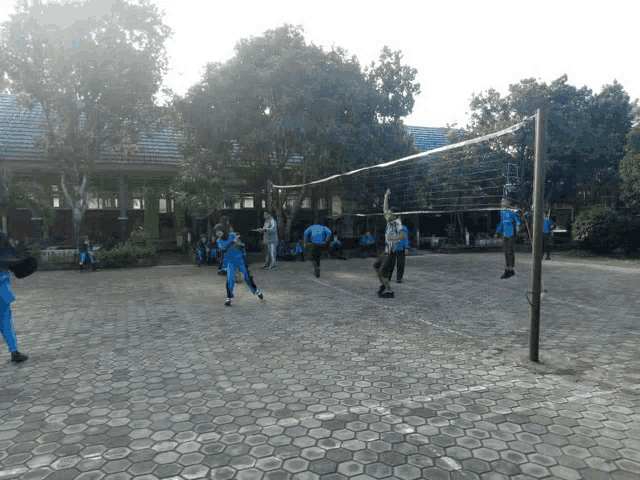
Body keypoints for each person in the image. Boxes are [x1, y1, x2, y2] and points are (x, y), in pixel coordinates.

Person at [215, 218, 263, 307]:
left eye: (218, 231)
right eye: (216, 232)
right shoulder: (219, 240)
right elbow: (223, 248)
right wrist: (232, 241)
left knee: (246, 276)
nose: (217, 233)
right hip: (229, 261)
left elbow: (243, 245)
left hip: (239, 258)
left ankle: (256, 291)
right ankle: (229, 297)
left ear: (223, 230)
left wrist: (238, 243)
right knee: (230, 279)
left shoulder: (233, 235)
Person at [0, 231, 28, 363]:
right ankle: (14, 351)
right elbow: (13, 254)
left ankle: (14, 351)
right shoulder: (2, 236)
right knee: (5, 318)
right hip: (2, 280)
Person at [374, 188, 406, 298]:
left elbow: (403, 236)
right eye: (388, 214)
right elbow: (385, 208)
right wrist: (386, 196)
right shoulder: (389, 220)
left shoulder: (397, 223)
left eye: (390, 214)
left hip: (392, 252)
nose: (387, 215)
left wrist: (392, 238)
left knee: (384, 273)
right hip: (386, 251)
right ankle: (383, 285)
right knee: (376, 266)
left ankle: (389, 291)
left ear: (395, 216)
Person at [495, 197, 521, 279]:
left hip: (511, 233)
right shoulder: (502, 212)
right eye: (501, 201)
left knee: (510, 251)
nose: (502, 202)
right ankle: (507, 269)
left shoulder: (512, 211)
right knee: (506, 251)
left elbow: (517, 219)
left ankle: (511, 269)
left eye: (504, 201)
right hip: (505, 234)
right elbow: (502, 222)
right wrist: (497, 231)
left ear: (508, 202)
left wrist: (517, 226)